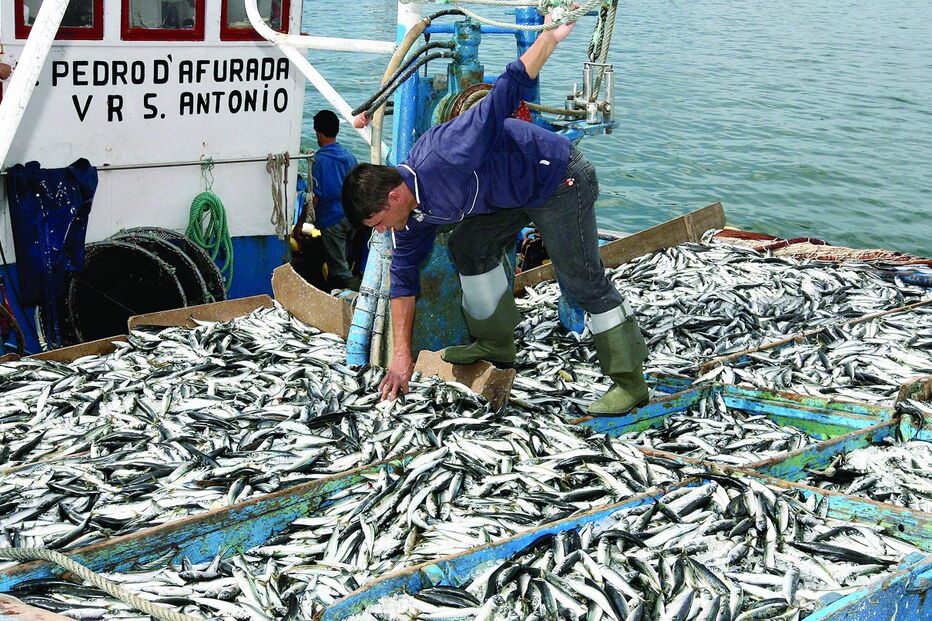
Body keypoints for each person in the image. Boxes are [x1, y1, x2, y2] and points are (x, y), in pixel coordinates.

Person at [342, 11, 649, 416]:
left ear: (395, 196)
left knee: (581, 279)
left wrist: (552, 36)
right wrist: (402, 357)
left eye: (378, 223)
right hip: (512, 194)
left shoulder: (448, 152)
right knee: (469, 246)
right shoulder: (411, 218)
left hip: (558, 179)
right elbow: (403, 281)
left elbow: (505, 92)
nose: (381, 232)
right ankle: (495, 342)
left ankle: (630, 382)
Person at [296, 110, 360, 290]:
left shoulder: (319, 160)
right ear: (337, 131)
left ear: (317, 133)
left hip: (332, 222)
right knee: (343, 259)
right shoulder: (349, 156)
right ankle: (336, 286)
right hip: (352, 218)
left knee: (339, 269)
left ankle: (351, 298)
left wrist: (300, 224)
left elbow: (314, 199)